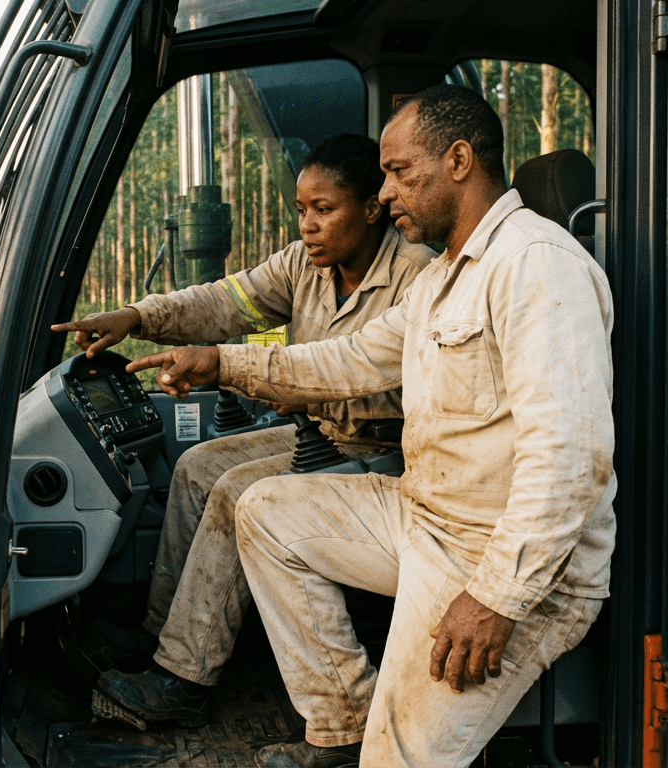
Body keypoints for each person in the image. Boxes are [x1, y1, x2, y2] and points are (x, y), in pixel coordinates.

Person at [127, 84, 615, 767]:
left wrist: (496, 600)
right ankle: (343, 720)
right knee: (263, 508)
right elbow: (350, 360)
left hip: (505, 564)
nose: (384, 195)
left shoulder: (536, 265)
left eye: (399, 172)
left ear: (459, 160)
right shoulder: (448, 275)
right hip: (426, 516)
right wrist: (219, 363)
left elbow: (571, 458)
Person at [51, 134, 434, 728]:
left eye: (324, 210)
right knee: (199, 466)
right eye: (302, 211)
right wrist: (138, 317)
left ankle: (184, 679)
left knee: (235, 494)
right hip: (323, 436)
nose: (308, 225)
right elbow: (227, 303)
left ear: (371, 207)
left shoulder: (416, 276)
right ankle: (162, 636)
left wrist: (244, 371)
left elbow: (358, 373)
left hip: (383, 451)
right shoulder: (303, 267)